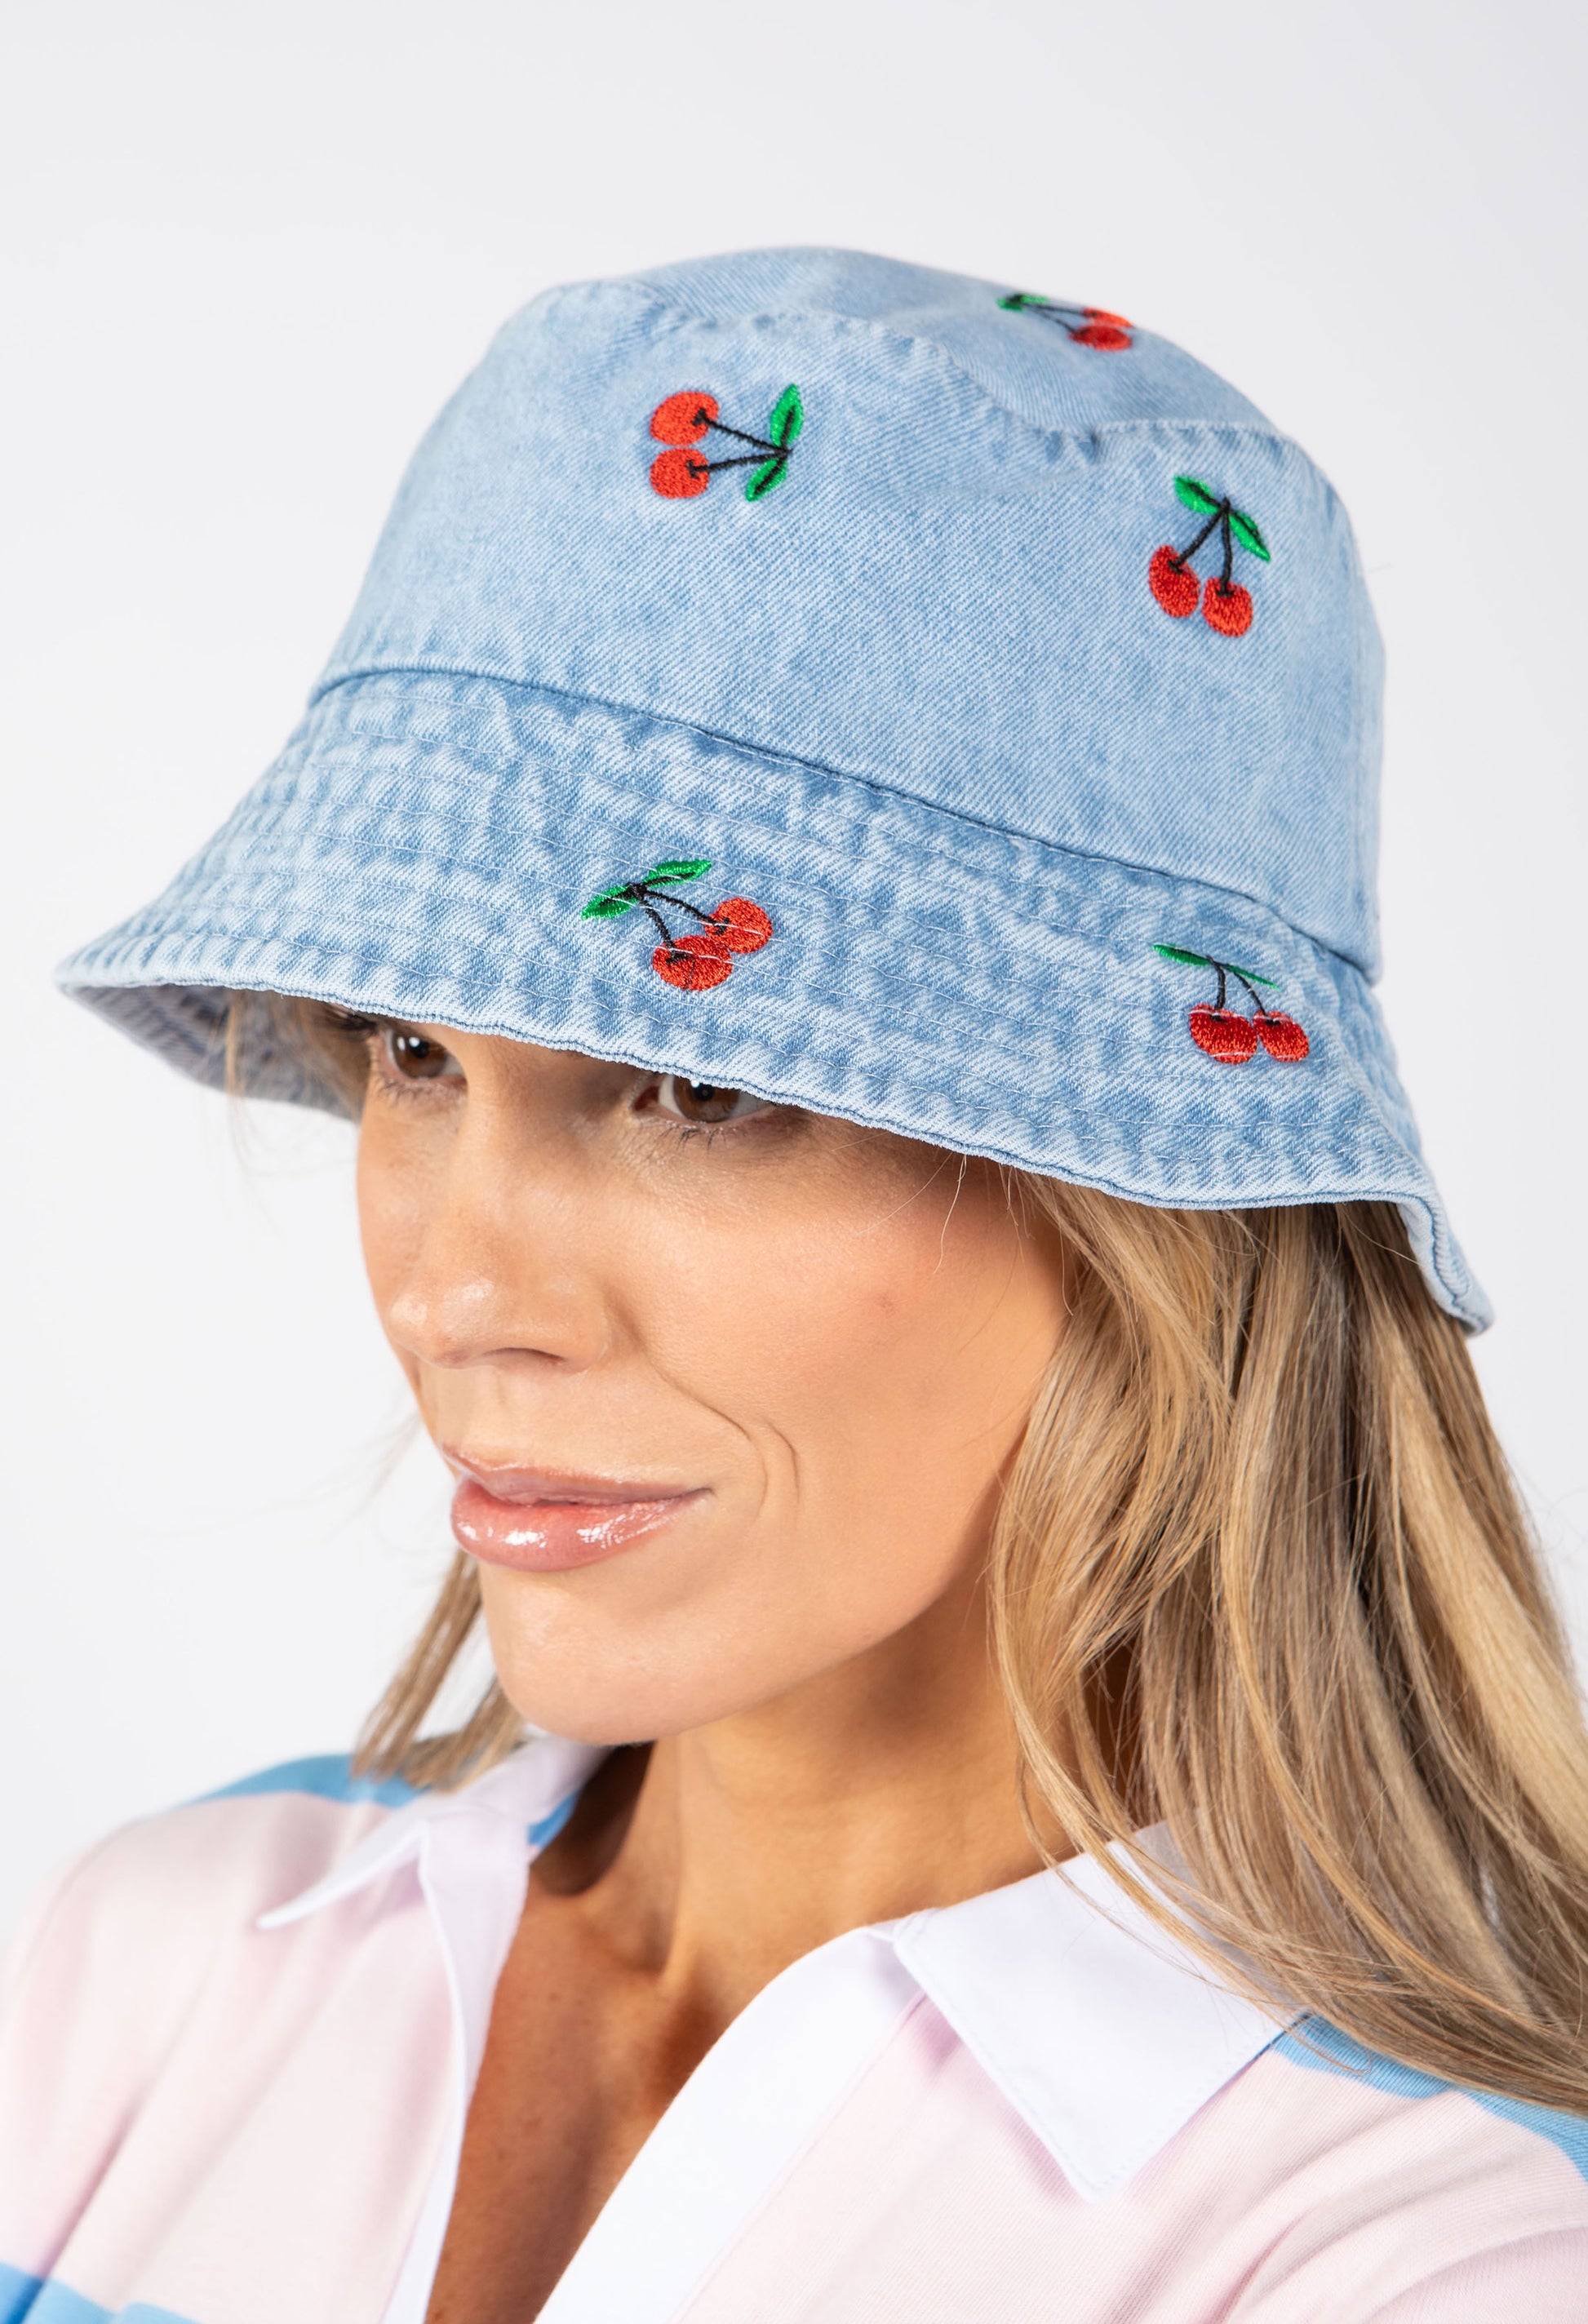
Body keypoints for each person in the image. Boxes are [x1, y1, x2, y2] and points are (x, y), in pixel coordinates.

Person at [5, 248, 1586, 2324]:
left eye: (689, 1081)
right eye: (414, 1054)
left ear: (1161, 1207)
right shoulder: (168, 1960)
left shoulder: (1422, 2251)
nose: (456, 1289)